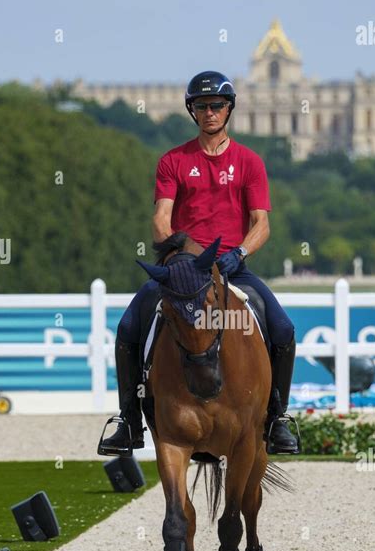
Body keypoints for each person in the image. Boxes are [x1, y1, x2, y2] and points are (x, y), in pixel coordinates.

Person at [99, 70, 300, 455]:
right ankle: (129, 421)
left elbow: (262, 224)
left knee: (284, 329)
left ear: (229, 109)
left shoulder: (249, 162)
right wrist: (185, 253)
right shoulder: (173, 160)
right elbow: (161, 218)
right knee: (127, 328)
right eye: (202, 106)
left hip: (231, 269)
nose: (210, 112)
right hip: (184, 272)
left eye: (217, 106)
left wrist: (238, 253)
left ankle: (276, 418)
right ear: (192, 111)